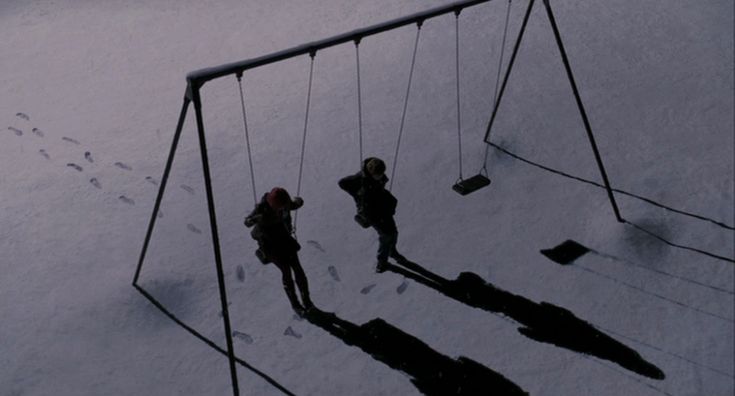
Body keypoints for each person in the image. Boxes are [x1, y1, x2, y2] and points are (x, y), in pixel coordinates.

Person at [244, 187, 314, 316]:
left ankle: (307, 301)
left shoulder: (283, 203)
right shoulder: (262, 208)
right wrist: (254, 219)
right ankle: (296, 304)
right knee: (286, 271)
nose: (282, 210)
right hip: (271, 246)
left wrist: (299, 202)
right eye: (279, 208)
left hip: (284, 240)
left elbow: (294, 204)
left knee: (298, 269)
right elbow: (247, 222)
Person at [338, 157, 407, 272]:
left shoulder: (377, 177)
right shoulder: (360, 179)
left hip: (383, 208)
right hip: (371, 213)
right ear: (371, 173)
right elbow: (342, 183)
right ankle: (382, 262)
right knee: (385, 236)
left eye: (382, 173)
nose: (381, 176)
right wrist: (356, 194)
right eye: (378, 174)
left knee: (393, 232)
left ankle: (392, 251)